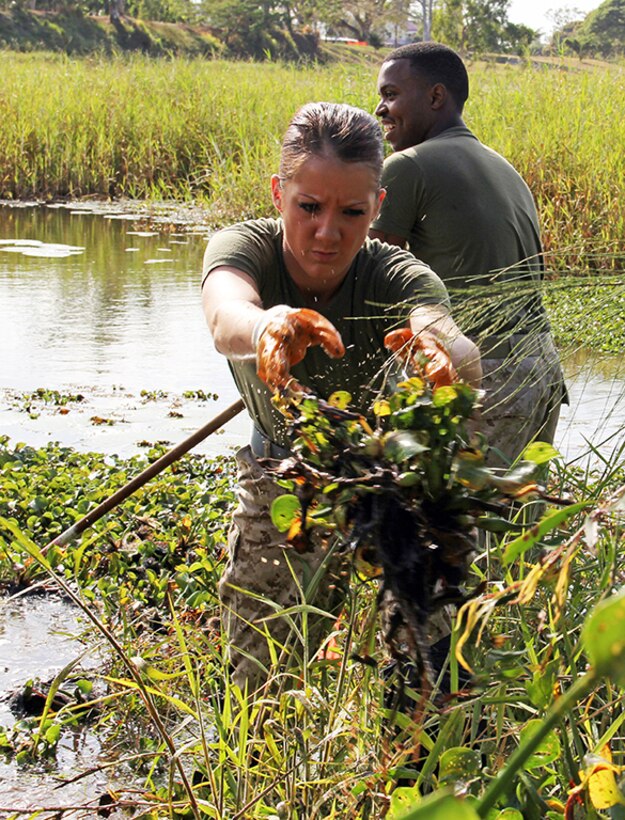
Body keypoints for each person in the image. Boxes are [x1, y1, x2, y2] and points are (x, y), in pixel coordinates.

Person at [201, 101, 482, 692]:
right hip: (285, 467)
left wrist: (447, 355)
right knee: (263, 671)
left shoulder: (398, 275)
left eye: (351, 212)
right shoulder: (244, 249)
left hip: (387, 471)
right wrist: (269, 327)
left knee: (430, 661)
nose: (327, 232)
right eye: (309, 207)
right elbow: (226, 315)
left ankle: (414, 760)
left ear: (377, 207)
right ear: (279, 194)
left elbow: (441, 329)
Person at [370, 42, 566, 469]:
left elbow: (371, 279)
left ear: (436, 97)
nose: (380, 110)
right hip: (539, 369)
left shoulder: (407, 165)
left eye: (391, 94)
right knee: (517, 526)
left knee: (458, 528)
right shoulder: (502, 166)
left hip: (484, 376)